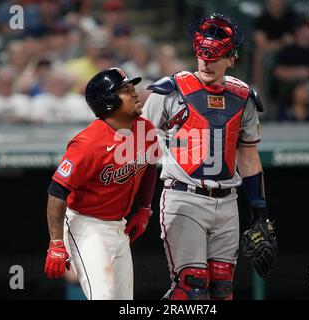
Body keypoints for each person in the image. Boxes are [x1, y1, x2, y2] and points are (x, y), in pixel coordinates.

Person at [143, 13, 277, 300]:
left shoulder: (244, 97)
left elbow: (249, 157)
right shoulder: (170, 90)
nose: (206, 62)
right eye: (202, 54)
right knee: (192, 287)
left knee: (222, 288)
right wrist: (135, 205)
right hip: (184, 196)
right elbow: (141, 148)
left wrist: (260, 214)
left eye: (215, 56)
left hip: (227, 201)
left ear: (231, 58)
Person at [44, 67, 159, 300]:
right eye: (126, 91)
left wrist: (145, 210)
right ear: (108, 102)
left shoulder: (145, 128)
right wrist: (56, 242)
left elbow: (151, 165)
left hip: (119, 225)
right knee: (104, 296)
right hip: (87, 225)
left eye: (132, 88)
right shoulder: (87, 143)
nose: (135, 94)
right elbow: (57, 191)